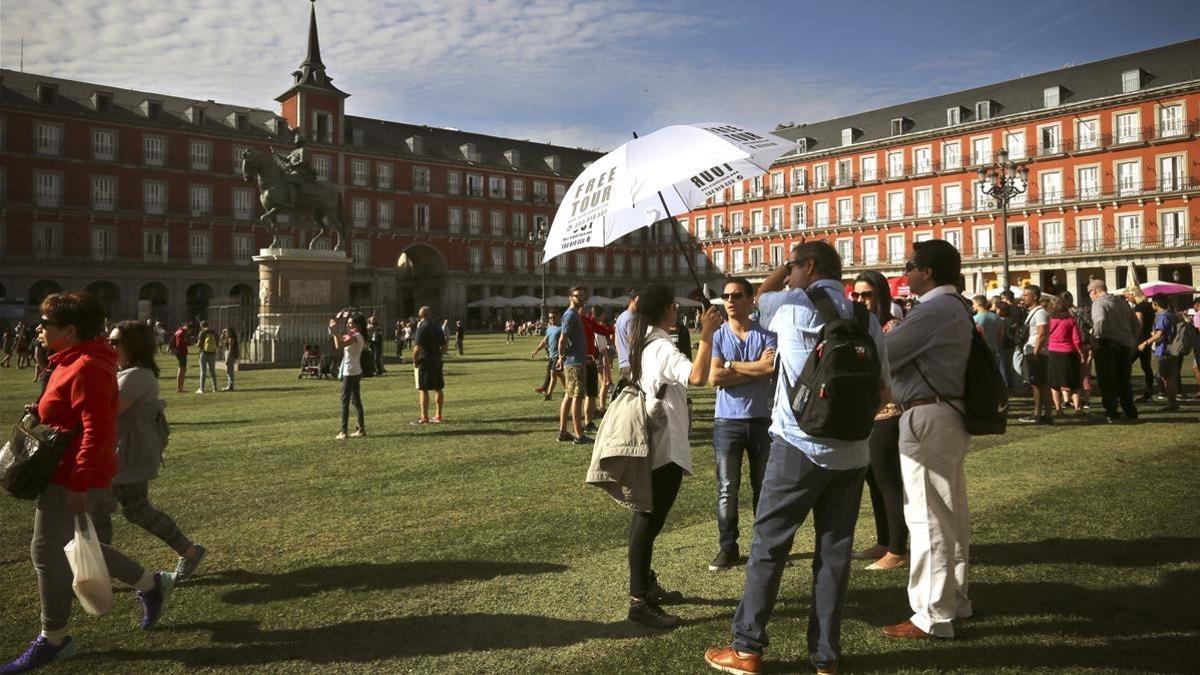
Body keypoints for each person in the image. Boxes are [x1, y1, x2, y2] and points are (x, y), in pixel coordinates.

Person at [705, 241, 889, 675]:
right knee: (834, 554)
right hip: (853, 451)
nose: (787, 275)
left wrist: (781, 272)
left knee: (769, 546)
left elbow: (756, 298)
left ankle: (747, 648)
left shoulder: (788, 304)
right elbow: (884, 389)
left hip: (798, 444)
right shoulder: (867, 317)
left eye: (793, 267)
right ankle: (826, 657)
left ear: (807, 266)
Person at [3, 293, 175, 674]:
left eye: (46, 323)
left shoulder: (86, 366)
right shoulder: (69, 361)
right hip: (62, 471)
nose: (39, 328)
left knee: (47, 553)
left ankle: (54, 639)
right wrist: (44, 410)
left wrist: (80, 482)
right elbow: (76, 415)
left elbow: (98, 431)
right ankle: (151, 583)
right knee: (75, 545)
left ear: (70, 330)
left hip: (73, 474)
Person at [876, 239, 974, 641]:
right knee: (949, 513)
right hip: (945, 412)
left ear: (927, 271)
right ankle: (955, 599)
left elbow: (884, 354)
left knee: (927, 517)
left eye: (909, 265)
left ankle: (932, 614)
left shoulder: (934, 309)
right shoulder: (954, 307)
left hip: (927, 413)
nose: (905, 272)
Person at [625, 283, 722, 629]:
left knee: (646, 519)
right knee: (648, 520)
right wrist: (707, 334)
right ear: (663, 308)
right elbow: (697, 377)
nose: (677, 310)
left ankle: (645, 586)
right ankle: (639, 600)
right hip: (663, 445)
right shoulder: (662, 348)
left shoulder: (645, 341)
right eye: (673, 305)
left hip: (654, 440)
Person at [92, 321, 208, 581]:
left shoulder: (137, 375)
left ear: (134, 345)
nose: (109, 345)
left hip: (130, 454)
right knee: (99, 509)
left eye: (115, 342)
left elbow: (108, 411)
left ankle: (189, 551)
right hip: (118, 452)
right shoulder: (125, 372)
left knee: (136, 510)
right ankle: (101, 569)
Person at [707, 278, 777, 572]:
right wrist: (754, 370)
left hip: (761, 419)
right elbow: (714, 378)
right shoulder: (719, 335)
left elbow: (770, 367)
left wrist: (732, 366)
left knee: (763, 487)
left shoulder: (768, 334)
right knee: (727, 487)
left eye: (736, 295)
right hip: (727, 422)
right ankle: (728, 546)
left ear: (751, 299)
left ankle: (763, 545)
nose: (730, 300)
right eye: (725, 296)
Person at [849, 271, 909, 571]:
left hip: (889, 413)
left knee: (888, 481)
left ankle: (898, 548)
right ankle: (885, 540)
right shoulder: (861, 327)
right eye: (856, 295)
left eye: (867, 295)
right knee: (873, 479)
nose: (860, 301)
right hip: (867, 414)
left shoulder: (891, 327)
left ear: (881, 296)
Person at [1087, 279, 1140, 424]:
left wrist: (1094, 338)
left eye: (1089, 293)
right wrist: (1132, 341)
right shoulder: (1122, 303)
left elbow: (1099, 321)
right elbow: (1136, 324)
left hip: (1107, 344)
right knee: (1123, 380)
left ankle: (1111, 412)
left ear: (1095, 291)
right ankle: (1130, 411)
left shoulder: (1099, 303)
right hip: (1125, 344)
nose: (1090, 296)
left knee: (1107, 380)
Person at [557, 287, 591, 444]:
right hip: (574, 363)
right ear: (571, 297)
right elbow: (563, 338)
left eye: (583, 296)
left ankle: (563, 432)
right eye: (578, 296)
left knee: (569, 396)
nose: (582, 299)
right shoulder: (570, 315)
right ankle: (578, 434)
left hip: (577, 360)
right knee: (577, 397)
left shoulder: (574, 315)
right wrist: (561, 356)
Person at [1047, 295, 1087, 415]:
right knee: (1074, 382)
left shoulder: (1050, 321)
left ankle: (1059, 409)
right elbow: (1077, 339)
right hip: (1070, 353)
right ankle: (1077, 408)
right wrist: (1081, 352)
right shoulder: (1071, 320)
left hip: (1053, 353)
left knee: (1054, 384)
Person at [329, 312, 367, 439]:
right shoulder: (356, 335)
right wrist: (334, 331)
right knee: (356, 401)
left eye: (351, 323)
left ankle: (344, 431)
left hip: (350, 372)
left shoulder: (356, 336)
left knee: (345, 400)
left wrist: (334, 330)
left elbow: (340, 344)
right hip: (355, 370)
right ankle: (361, 429)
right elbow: (338, 343)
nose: (348, 325)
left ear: (358, 324)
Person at [1140, 293, 1180, 410]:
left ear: (1155, 303)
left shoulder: (1163, 316)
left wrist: (1145, 343)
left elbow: (1159, 334)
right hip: (1172, 349)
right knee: (1167, 377)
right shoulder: (1172, 315)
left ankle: (1172, 403)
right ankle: (1172, 402)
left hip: (1165, 350)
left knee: (1166, 378)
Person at [1020, 285, 1053, 424]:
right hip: (1034, 349)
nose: (1023, 297)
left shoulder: (1040, 313)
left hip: (1036, 351)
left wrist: (1036, 351)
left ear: (1034, 297)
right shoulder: (1033, 312)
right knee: (1040, 383)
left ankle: (1038, 414)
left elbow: (1042, 333)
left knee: (1037, 384)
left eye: (1026, 295)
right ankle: (1045, 414)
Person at [580, 305, 615, 432]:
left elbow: (603, 333)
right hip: (590, 360)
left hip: (591, 359)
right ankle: (598, 409)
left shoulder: (589, 324)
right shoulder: (593, 326)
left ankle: (591, 416)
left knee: (593, 391)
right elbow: (603, 349)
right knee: (602, 384)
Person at [412, 306, 447, 424]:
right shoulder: (437, 326)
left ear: (420, 316)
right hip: (436, 360)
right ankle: (438, 415)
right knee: (438, 388)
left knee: (423, 389)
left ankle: (424, 417)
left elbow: (417, 348)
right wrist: (440, 355)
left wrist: (415, 361)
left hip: (425, 361)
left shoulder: (422, 327)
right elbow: (445, 345)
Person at [1126, 286, 1156, 401]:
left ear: (1134, 295)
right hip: (1146, 338)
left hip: (1138, 340)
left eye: (1129, 296)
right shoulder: (1148, 306)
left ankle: (1125, 391)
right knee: (1146, 367)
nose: (1128, 299)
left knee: (1125, 363)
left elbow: (1139, 324)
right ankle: (1148, 394)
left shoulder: (1139, 307)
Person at [531, 312, 564, 401]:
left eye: (553, 317)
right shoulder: (549, 328)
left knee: (553, 373)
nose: (552, 319)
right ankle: (567, 389)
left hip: (559, 355)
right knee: (557, 373)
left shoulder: (562, 328)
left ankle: (548, 394)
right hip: (551, 355)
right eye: (550, 318)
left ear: (558, 318)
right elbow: (544, 341)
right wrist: (536, 350)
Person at [614, 290, 639, 385]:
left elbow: (616, 341)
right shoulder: (631, 318)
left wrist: (621, 356)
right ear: (632, 300)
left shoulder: (621, 317)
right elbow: (633, 341)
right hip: (632, 364)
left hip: (623, 362)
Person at [194, 321, 218, 394]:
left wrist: (196, 344)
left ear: (201, 326)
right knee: (212, 371)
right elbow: (217, 342)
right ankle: (215, 388)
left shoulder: (202, 332)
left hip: (204, 353)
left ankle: (202, 389)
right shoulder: (213, 332)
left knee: (203, 371)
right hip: (212, 353)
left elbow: (198, 344)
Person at [170, 322, 191, 394]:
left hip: (180, 353)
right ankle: (179, 388)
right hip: (181, 353)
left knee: (182, 369)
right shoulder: (182, 333)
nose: (190, 332)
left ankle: (180, 388)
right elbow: (179, 344)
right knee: (182, 370)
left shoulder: (179, 330)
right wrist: (188, 342)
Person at [221, 327, 239, 392]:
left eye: (226, 332)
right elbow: (222, 340)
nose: (225, 333)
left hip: (230, 355)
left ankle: (230, 385)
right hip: (229, 354)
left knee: (230, 371)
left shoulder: (231, 339)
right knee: (228, 371)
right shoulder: (228, 339)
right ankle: (230, 385)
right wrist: (223, 333)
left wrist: (227, 359)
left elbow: (230, 349)